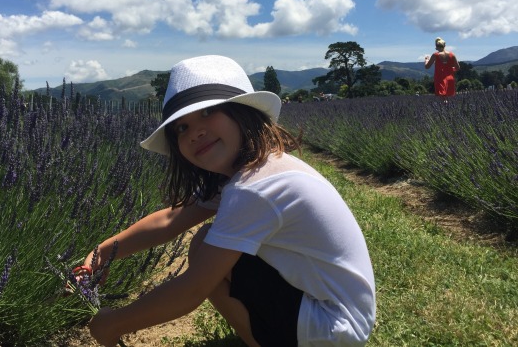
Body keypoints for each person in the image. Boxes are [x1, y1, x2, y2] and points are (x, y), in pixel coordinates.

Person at [83, 55, 376, 346]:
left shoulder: (254, 188)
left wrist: (113, 323)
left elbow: (192, 289)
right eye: (181, 128)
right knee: (205, 241)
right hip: (342, 317)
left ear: (243, 113)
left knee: (205, 249)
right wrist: (101, 253)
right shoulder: (257, 169)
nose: (195, 131)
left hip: (333, 329)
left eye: (208, 112)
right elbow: (171, 219)